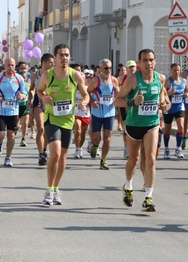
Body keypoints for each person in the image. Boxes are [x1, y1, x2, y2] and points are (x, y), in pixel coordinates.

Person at [114, 49, 168, 212]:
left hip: (152, 123)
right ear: (139, 63)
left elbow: (165, 100)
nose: (148, 63)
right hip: (134, 124)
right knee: (134, 160)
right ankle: (128, 186)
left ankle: (148, 198)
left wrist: (165, 106)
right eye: (145, 60)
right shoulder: (132, 80)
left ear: (155, 61)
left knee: (151, 159)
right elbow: (117, 101)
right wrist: (132, 102)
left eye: (151, 60)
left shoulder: (160, 79)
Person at [37, 44, 89, 205]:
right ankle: (48, 190)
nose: (64, 58)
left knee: (63, 157)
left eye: (67, 55)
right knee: (56, 153)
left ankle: (56, 188)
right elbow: (39, 90)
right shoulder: (48, 75)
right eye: (61, 55)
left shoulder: (76, 75)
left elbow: (86, 94)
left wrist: (84, 103)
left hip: (68, 120)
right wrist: (43, 97)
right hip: (52, 118)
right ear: (55, 58)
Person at [0, 57, 26, 166]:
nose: (11, 67)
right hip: (1, 111)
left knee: (11, 135)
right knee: (0, 134)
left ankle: (8, 157)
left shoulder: (19, 79)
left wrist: (21, 96)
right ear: (5, 66)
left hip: (13, 111)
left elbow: (24, 94)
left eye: (13, 65)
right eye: (8, 65)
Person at [87, 59, 120, 170]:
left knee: (107, 138)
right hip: (97, 112)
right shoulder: (96, 80)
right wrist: (92, 101)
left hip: (110, 113)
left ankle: (103, 160)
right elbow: (87, 92)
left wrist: (117, 97)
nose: (108, 70)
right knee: (97, 138)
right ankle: (95, 145)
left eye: (110, 68)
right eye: (106, 68)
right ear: (100, 69)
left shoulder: (114, 80)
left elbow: (119, 93)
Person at [28, 53, 54, 165]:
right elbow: (32, 89)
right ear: (44, 63)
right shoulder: (35, 75)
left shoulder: (54, 74)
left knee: (47, 131)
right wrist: (30, 99)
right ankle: (40, 154)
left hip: (50, 104)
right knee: (41, 128)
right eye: (50, 62)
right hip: (39, 103)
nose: (52, 64)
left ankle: (44, 149)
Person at [163, 63, 188, 159]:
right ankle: (166, 149)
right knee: (167, 128)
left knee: (181, 126)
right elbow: (162, 94)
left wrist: (186, 94)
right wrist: (169, 93)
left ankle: (178, 148)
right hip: (169, 108)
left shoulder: (184, 81)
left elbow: (185, 90)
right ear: (171, 71)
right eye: (174, 70)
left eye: (178, 70)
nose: (176, 72)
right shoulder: (168, 82)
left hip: (179, 107)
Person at [117, 60, 137, 159]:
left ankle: (133, 148)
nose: (132, 69)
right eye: (130, 67)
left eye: (133, 67)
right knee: (126, 129)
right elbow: (116, 92)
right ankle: (126, 148)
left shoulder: (138, 78)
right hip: (124, 105)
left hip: (135, 106)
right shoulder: (121, 79)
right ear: (127, 68)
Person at [17, 69, 30, 147]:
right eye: (21, 73)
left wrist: (30, 101)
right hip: (16, 106)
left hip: (25, 105)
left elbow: (32, 92)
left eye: (24, 73)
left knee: (25, 123)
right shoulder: (15, 84)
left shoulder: (28, 84)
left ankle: (23, 139)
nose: (23, 75)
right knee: (16, 125)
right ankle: (15, 130)